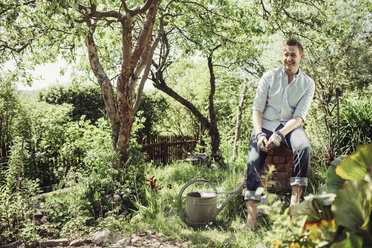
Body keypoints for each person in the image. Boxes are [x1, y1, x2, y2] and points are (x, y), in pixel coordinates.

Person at [245, 39, 315, 230]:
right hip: (265, 125)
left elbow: (299, 117)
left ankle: (294, 205)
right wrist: (259, 135)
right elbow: (257, 110)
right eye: (286, 54)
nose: (289, 58)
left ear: (301, 57)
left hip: (290, 127)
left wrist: (280, 134)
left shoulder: (308, 83)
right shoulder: (269, 77)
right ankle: (252, 219)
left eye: (293, 54)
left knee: (304, 147)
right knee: (253, 159)